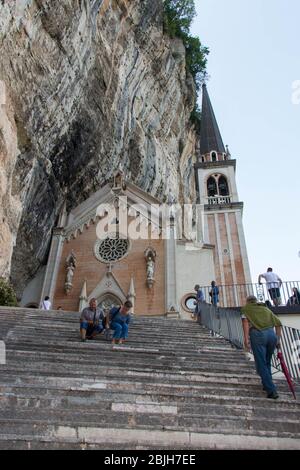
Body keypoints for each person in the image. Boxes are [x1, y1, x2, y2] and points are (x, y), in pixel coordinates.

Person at [241, 295, 282, 399]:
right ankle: (266, 383)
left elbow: (245, 322)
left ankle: (271, 390)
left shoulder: (246, 309)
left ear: (248, 301)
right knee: (267, 361)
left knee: (261, 363)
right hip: (271, 335)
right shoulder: (265, 308)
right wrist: (278, 339)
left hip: (258, 335)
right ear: (256, 301)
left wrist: (246, 339)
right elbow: (278, 323)